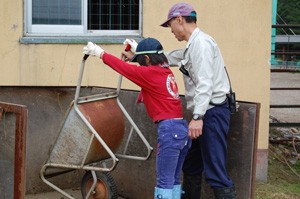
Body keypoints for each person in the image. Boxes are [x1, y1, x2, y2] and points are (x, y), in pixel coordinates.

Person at [83, 37, 191, 199]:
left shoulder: (149, 73)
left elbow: (123, 68)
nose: (140, 66)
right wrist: (135, 54)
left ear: (147, 59)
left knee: (164, 182)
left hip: (169, 131)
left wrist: (100, 53)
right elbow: (149, 68)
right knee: (173, 180)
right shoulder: (166, 70)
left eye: (141, 62)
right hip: (181, 130)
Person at [159, 2, 237, 199]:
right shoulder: (193, 45)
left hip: (211, 113)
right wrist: (138, 55)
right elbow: (170, 58)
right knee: (191, 164)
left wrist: (197, 117)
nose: (171, 31)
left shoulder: (201, 44)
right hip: (206, 113)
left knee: (215, 171)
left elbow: (205, 83)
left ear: (179, 20)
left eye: (170, 25)